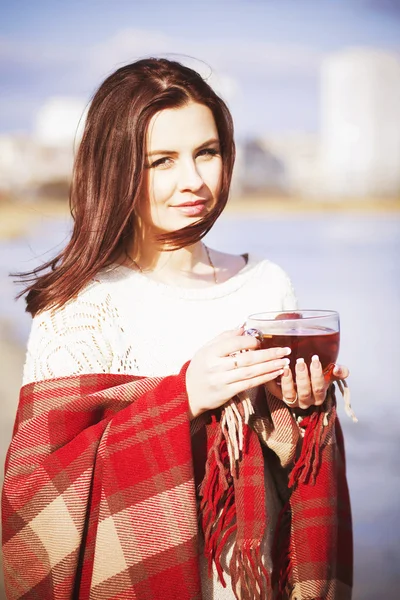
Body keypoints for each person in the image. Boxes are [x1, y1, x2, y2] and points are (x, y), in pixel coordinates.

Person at [2, 58, 353, 600]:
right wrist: (184, 397)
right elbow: (31, 508)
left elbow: (290, 476)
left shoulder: (267, 285)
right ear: (115, 168)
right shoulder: (81, 305)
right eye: (160, 161)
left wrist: (305, 415)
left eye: (206, 153)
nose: (193, 180)